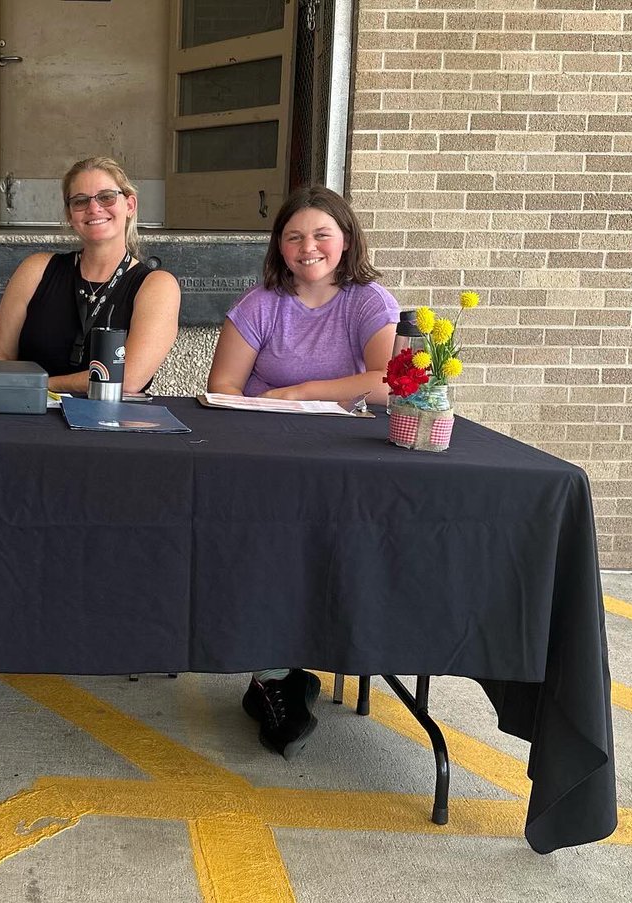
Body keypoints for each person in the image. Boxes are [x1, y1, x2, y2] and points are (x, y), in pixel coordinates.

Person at [207, 185, 400, 760]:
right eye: (294, 236)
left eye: (321, 234)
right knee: (265, 545)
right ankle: (272, 676)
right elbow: (222, 389)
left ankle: (315, 655)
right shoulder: (260, 303)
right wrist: (284, 407)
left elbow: (389, 382)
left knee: (336, 546)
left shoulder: (368, 301)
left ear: (346, 240)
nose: (307, 246)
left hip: (345, 458)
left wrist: (302, 391)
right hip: (267, 454)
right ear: (279, 246)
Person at [0, 156, 180, 393]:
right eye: (80, 201)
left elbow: (128, 379)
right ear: (69, 215)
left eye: (106, 197)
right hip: (30, 418)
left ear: (129, 205)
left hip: (111, 423)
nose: (94, 208)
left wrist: (38, 386)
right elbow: (0, 357)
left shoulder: (157, 286)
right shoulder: (35, 270)